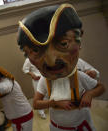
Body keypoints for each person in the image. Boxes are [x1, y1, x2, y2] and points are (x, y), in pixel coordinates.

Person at [17, 3, 105, 131]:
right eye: (36, 51)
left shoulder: (79, 75)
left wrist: (89, 93)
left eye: (63, 44)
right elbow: (36, 103)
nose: (51, 61)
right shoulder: (44, 80)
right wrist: (54, 103)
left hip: (81, 125)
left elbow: (100, 87)